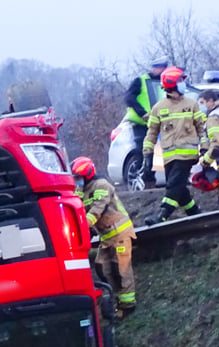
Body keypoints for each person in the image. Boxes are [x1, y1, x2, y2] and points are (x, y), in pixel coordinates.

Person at [71, 156, 137, 318]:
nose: (77, 181)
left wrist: (83, 226)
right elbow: (76, 205)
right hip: (106, 237)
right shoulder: (82, 189)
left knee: (120, 269)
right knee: (102, 267)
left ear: (87, 174)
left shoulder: (102, 186)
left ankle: (128, 306)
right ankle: (114, 299)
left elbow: (97, 209)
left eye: (78, 177)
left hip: (120, 234)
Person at [142, 66, 207, 225]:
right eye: (180, 81)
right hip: (169, 156)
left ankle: (162, 215)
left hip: (187, 155)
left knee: (173, 185)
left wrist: (204, 147)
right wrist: (147, 154)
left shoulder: (192, 104)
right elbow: (151, 132)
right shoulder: (158, 108)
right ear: (172, 84)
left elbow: (201, 127)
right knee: (179, 189)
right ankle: (194, 213)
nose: (183, 83)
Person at [123, 55, 169, 187]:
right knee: (144, 151)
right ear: (155, 68)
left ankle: (155, 180)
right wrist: (142, 113)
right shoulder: (141, 81)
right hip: (141, 123)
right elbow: (129, 98)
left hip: (160, 123)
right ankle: (147, 181)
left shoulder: (163, 83)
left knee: (161, 152)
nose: (162, 70)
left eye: (164, 68)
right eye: (160, 68)